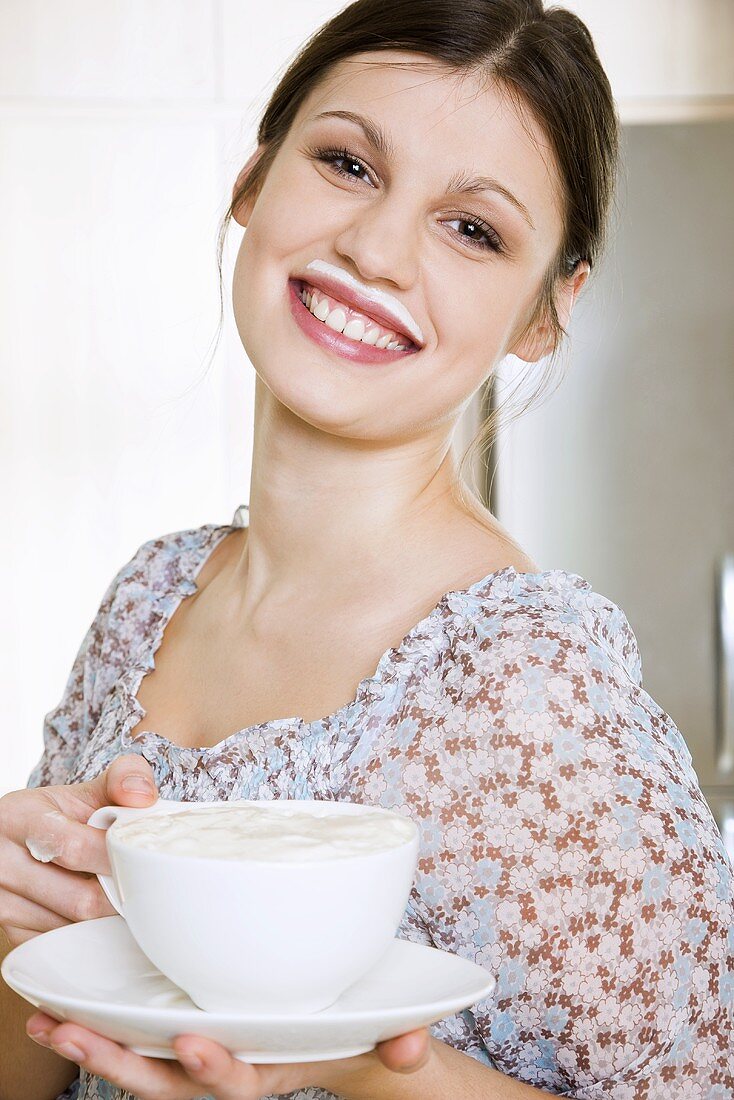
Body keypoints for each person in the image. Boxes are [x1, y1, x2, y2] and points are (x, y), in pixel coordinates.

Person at [1, 0, 732, 1097]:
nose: (376, 248)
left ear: (545, 311)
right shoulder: (151, 594)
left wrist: (367, 1066)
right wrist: (21, 931)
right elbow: (39, 1063)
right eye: (346, 163)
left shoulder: (527, 676)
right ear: (253, 181)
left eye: (471, 228)